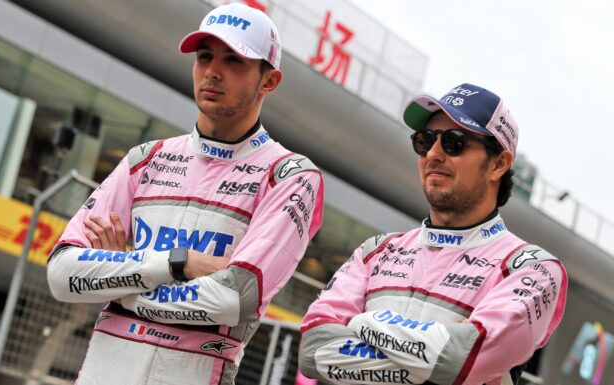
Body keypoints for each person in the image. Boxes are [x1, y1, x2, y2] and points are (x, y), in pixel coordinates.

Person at [46, 3, 323, 385]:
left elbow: (233, 300)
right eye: (204, 56)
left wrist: (117, 279)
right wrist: (177, 262)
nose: (212, 70)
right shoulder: (145, 159)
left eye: (234, 60)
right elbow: (62, 275)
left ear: (269, 81)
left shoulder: (290, 176)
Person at [298, 83, 567, 385]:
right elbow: (313, 351)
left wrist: (363, 323)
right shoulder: (376, 250)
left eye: (454, 142)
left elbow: (460, 359)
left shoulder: (532, 269)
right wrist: (430, 362)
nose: (434, 154)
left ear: (498, 164)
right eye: (425, 141)